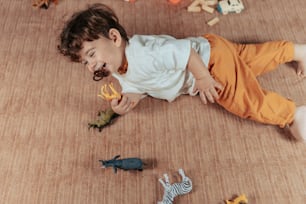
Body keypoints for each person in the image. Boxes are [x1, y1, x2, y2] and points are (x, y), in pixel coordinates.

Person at [58, 3, 306, 141]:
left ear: (114, 38)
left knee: (244, 101)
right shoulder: (117, 64)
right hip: (211, 47)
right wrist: (126, 101)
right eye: (85, 63)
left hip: (209, 63)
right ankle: (296, 51)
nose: (91, 67)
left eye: (91, 55)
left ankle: (292, 114)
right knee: (250, 59)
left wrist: (204, 78)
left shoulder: (146, 53)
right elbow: (138, 84)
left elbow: (185, 51)